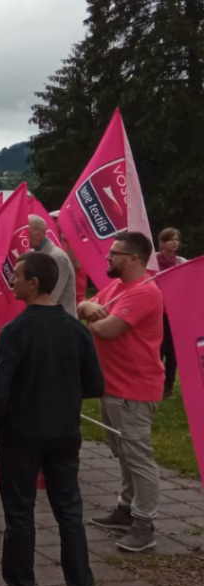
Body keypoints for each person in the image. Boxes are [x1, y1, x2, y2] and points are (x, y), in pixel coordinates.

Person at [0, 251, 104, 586]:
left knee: (20, 513)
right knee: (70, 513)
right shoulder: (76, 330)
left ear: (34, 283)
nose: (11, 280)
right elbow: (95, 383)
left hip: (22, 434)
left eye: (16, 275)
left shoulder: (15, 331)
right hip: (65, 433)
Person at [80, 230, 165, 553]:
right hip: (113, 386)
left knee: (137, 456)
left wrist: (89, 314)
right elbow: (83, 306)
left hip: (135, 389)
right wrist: (88, 306)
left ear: (133, 259)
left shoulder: (144, 292)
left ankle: (144, 523)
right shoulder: (118, 286)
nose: (108, 258)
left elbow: (107, 329)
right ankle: (126, 508)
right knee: (123, 452)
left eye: (114, 253)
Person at [156, 227, 186, 398]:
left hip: (173, 314)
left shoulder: (181, 262)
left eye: (177, 239)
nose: (175, 242)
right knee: (158, 350)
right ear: (162, 243)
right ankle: (157, 384)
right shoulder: (152, 260)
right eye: (170, 239)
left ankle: (168, 387)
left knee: (172, 352)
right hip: (155, 313)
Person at [27, 215, 76, 317]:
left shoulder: (56, 257)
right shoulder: (34, 254)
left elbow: (51, 297)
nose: (26, 237)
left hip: (62, 322)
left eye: (29, 233)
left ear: (42, 232)